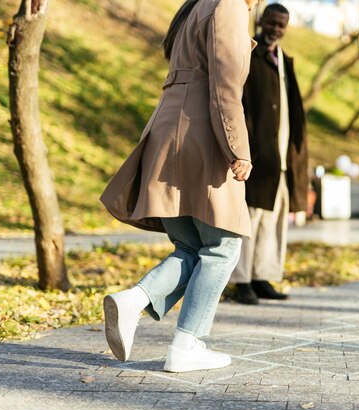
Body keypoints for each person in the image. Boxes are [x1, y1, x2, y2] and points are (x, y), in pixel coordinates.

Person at [99, 0, 259, 373]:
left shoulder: (195, 7)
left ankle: (132, 300)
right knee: (222, 247)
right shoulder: (230, 5)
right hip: (201, 134)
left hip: (168, 130)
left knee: (191, 245)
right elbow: (225, 85)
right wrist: (238, 149)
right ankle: (187, 345)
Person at [230, 3, 309, 305]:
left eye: (282, 25)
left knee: (272, 220)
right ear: (262, 21)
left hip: (282, 156)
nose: (276, 29)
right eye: (272, 23)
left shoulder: (285, 62)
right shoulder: (250, 54)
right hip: (258, 154)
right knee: (249, 218)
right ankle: (241, 281)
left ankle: (261, 276)